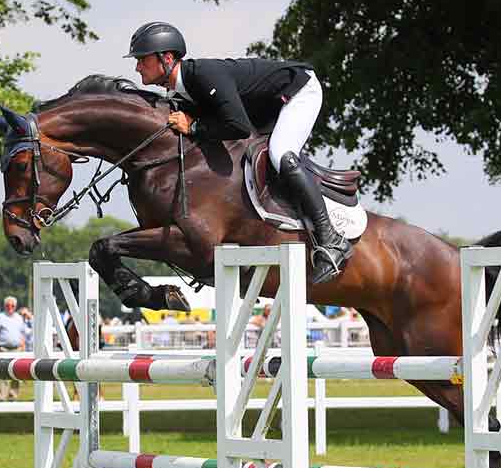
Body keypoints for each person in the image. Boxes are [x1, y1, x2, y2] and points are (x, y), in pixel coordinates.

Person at [126, 20, 352, 284]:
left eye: (142, 59)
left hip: (296, 92)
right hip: (263, 108)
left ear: (166, 58)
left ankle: (332, 239)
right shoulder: (179, 92)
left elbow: (238, 126)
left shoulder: (203, 75)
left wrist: (194, 126)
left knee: (281, 154)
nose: (137, 66)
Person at [0, 296, 28, 400]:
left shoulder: (19, 318)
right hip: (3, 348)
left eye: (12, 305)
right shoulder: (0, 317)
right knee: (2, 372)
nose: (10, 307)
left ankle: (13, 395)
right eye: (8, 305)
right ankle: (2, 396)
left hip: (17, 349)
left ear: (15, 306)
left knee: (16, 372)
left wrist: (23, 347)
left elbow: (23, 333)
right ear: (4, 306)